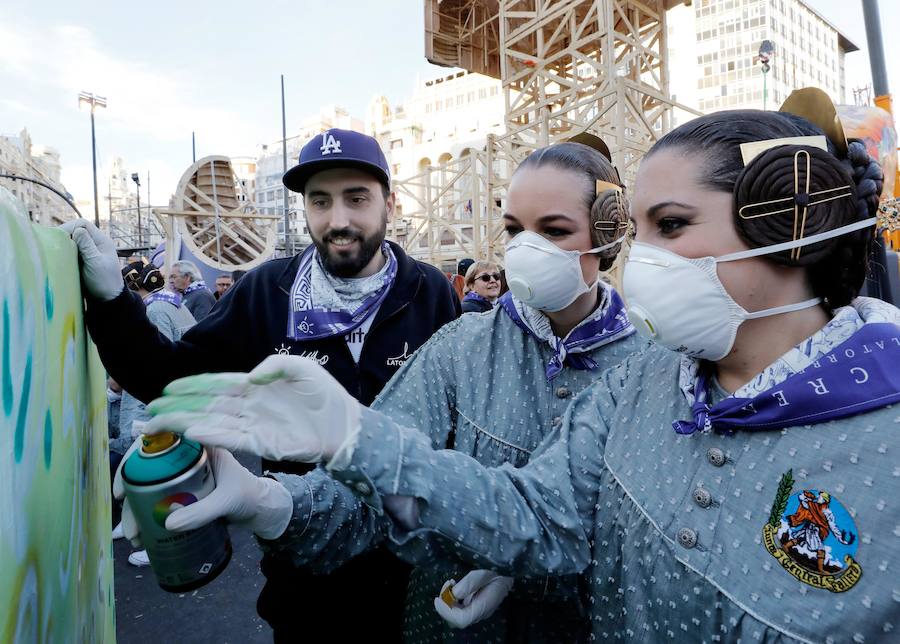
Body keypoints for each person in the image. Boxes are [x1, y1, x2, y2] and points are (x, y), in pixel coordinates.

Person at [147, 104, 900, 643]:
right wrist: (300, 482)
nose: (653, 256)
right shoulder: (631, 386)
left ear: (794, 226)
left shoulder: (647, 366)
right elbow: (543, 516)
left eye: (669, 227)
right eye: (512, 229)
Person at [141, 139, 640, 642]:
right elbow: (377, 482)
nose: (528, 249)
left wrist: (529, 557)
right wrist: (270, 502)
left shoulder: (651, 369)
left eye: (554, 231)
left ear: (607, 234)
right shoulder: (460, 347)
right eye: (514, 230)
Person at [60, 128, 460, 641]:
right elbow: (173, 379)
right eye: (320, 201)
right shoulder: (266, 292)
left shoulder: (430, 292)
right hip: (306, 569)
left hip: (413, 570)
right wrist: (115, 301)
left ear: (391, 202)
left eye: (356, 198)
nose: (338, 220)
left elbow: (457, 426)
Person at [113, 261, 196, 566]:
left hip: (157, 405)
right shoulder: (171, 304)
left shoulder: (155, 310)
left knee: (156, 476)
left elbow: (154, 360)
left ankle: (161, 539)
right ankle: (137, 522)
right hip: (174, 401)